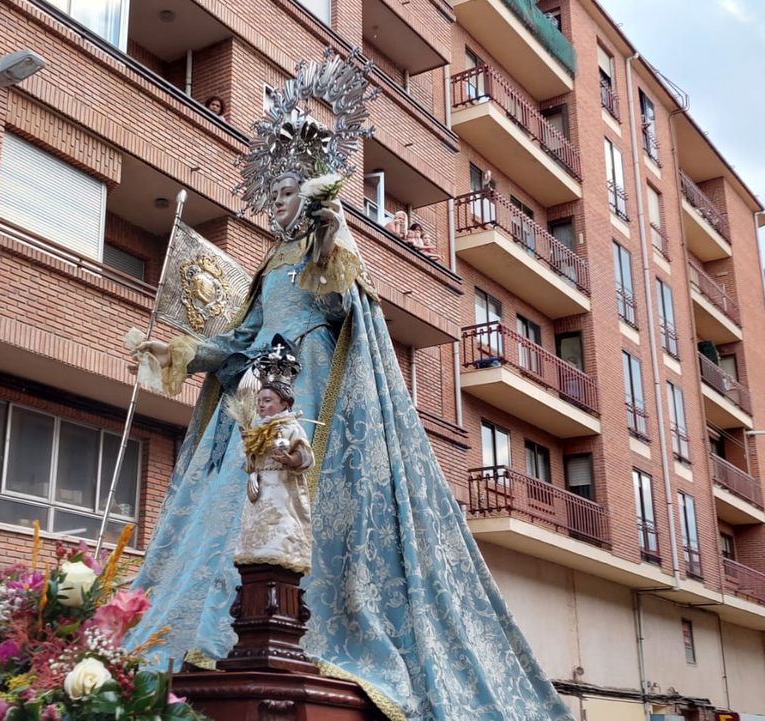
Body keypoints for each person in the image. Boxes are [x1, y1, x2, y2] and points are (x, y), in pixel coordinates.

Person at [127, 55, 573, 721]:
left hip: (313, 404)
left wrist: (337, 236)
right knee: (224, 519)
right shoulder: (271, 265)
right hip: (254, 407)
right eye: (271, 197)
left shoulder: (328, 253)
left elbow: (346, 312)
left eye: (287, 196)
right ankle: (204, 635)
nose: (277, 209)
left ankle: (301, 625)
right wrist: (187, 351)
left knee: (297, 516)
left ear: (311, 193)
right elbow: (243, 340)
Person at [229, 340, 313, 573]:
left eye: (267, 401)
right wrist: (251, 467)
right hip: (261, 489)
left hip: (282, 488)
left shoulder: (291, 426)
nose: (261, 406)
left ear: (283, 403)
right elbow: (251, 464)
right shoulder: (258, 429)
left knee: (282, 529)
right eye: (259, 402)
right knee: (256, 533)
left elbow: (305, 456)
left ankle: (281, 561)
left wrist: (290, 460)